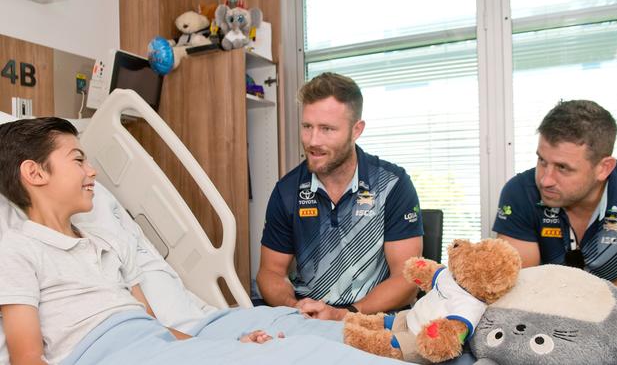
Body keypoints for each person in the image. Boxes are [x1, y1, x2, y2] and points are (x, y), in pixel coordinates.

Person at [0, 118, 410, 365]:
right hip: (108, 354)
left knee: (285, 347)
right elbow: (26, 358)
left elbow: (153, 327)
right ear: (35, 174)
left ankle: (420, 334)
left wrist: (229, 344)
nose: (93, 172)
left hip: (155, 346)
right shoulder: (19, 249)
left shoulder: (105, 242)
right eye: (77, 160)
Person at [256, 72, 424, 321]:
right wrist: (297, 309)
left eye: (327, 129)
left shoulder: (393, 184)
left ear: (356, 130)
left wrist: (343, 315)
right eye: (307, 127)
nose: (313, 141)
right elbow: (270, 273)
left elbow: (408, 276)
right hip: (307, 320)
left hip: (373, 320)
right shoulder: (287, 190)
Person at [493, 100, 617, 329]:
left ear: (604, 168)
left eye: (563, 168)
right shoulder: (519, 192)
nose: (545, 179)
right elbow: (518, 302)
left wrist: (556, 304)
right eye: (542, 160)